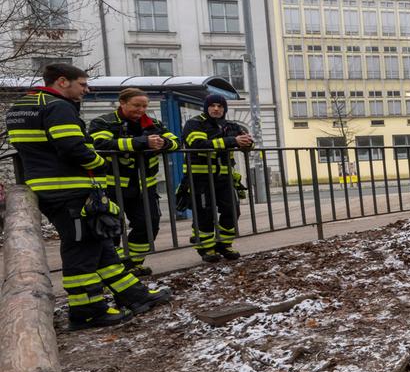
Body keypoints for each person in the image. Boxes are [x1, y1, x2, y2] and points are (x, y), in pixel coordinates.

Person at [4, 64, 171, 329]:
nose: (86, 89)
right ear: (62, 81)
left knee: (100, 243)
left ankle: (134, 296)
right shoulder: (58, 106)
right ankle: (88, 310)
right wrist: (99, 163)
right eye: (82, 84)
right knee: (81, 249)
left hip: (51, 186)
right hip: (69, 188)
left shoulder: (21, 107)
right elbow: (72, 146)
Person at [88, 88, 180, 277]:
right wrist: (140, 142)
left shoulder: (153, 123)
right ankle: (112, 268)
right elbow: (100, 145)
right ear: (122, 103)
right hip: (112, 186)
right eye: (136, 105)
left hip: (144, 186)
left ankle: (131, 263)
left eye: (145, 106)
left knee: (149, 224)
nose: (141, 110)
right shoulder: (103, 122)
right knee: (112, 227)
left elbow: (177, 142)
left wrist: (163, 143)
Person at [182, 95, 253, 263]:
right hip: (200, 178)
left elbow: (248, 143)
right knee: (204, 214)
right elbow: (198, 144)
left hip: (224, 177)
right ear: (206, 108)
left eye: (220, 106)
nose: (216, 109)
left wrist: (246, 143)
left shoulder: (231, 126)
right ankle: (206, 248)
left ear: (224, 109)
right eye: (212, 106)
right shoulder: (194, 124)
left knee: (232, 210)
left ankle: (224, 244)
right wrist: (231, 141)